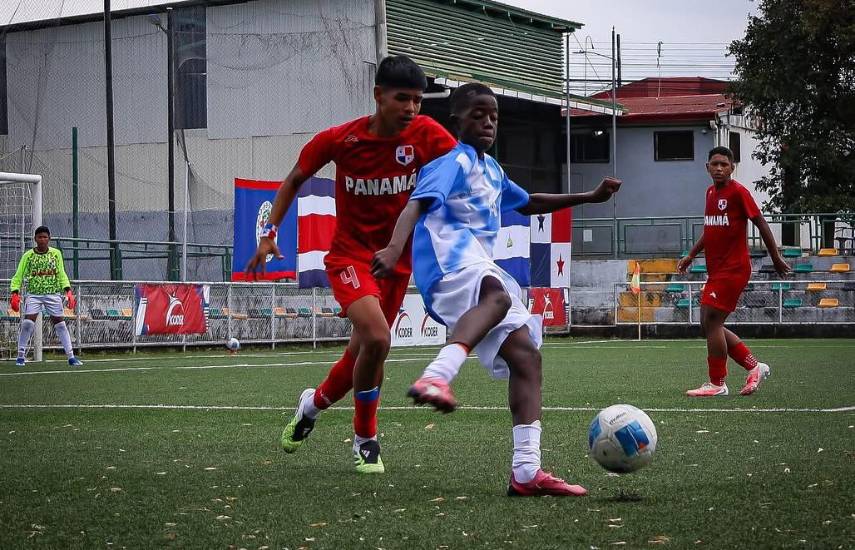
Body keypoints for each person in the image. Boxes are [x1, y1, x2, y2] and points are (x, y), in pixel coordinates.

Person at [371, 83, 621, 496]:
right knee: (498, 296)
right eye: (478, 114)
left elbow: (527, 202)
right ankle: (436, 376)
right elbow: (415, 204)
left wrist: (589, 197)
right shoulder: (450, 162)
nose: (488, 122)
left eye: (494, 116)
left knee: (526, 355)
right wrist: (394, 247)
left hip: (474, 265)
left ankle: (526, 473)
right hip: (447, 264)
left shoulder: (492, 170)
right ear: (457, 121)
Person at [244, 56, 456, 474]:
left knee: (361, 353)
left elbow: (467, 167)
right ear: (379, 96)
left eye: (418, 101)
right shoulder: (342, 140)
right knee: (377, 339)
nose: (412, 109)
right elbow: (293, 179)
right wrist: (270, 231)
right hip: (350, 258)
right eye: (402, 99)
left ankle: (311, 404)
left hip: (396, 263)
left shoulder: (427, 135)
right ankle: (365, 438)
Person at [677, 146, 791, 397]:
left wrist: (775, 256)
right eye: (714, 164)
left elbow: (760, 223)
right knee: (706, 325)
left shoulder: (739, 192)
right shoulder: (709, 193)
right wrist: (691, 255)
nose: (719, 168)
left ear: (732, 167)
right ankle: (754, 366)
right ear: (707, 167)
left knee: (712, 322)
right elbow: (710, 229)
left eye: (724, 165)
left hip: (734, 268)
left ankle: (717, 383)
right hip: (716, 270)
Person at [9, 226, 82, 367]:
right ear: (35, 239)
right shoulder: (28, 256)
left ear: (49, 239)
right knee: (28, 323)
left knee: (60, 324)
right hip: (34, 294)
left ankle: (71, 357)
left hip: (52, 294)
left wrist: (68, 290)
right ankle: (20, 356)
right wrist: (15, 292)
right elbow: (18, 275)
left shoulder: (56, 254)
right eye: (39, 237)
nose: (42, 239)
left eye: (45, 237)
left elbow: (61, 273)